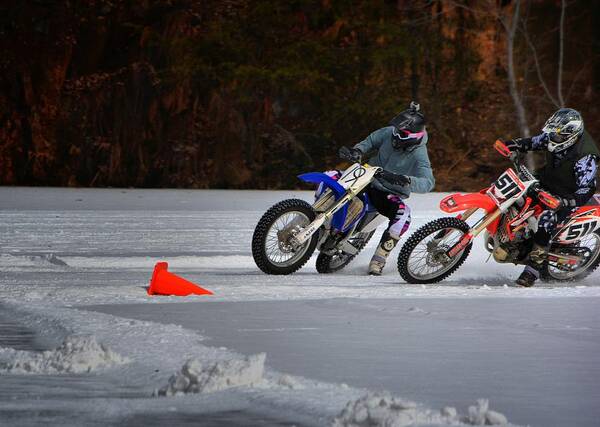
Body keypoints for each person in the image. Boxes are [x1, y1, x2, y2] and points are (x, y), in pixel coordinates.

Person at [503, 108, 599, 287]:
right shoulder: (556, 134)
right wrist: (515, 144)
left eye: (557, 137)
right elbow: (536, 141)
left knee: (547, 219)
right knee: (517, 189)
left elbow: (586, 189)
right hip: (548, 181)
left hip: (568, 196)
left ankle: (532, 269)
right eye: (553, 134)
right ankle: (514, 236)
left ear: (570, 135)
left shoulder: (585, 158)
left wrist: (566, 202)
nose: (552, 139)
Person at [338, 102, 435, 275]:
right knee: (331, 176)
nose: (396, 134)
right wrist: (357, 151)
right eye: (396, 130)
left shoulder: (419, 154)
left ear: (413, 136)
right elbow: (370, 141)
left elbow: (428, 183)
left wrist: (404, 179)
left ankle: (379, 258)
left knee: (403, 215)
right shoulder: (389, 133)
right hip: (366, 177)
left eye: (401, 133)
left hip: (387, 192)